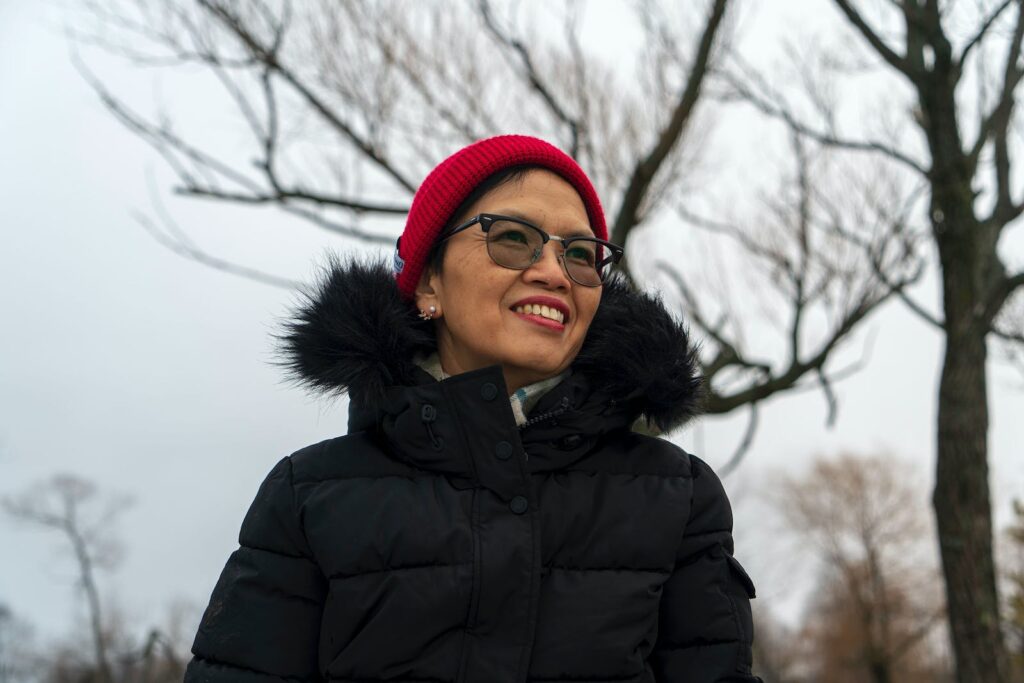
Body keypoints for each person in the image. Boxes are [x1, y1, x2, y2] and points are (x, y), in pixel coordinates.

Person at [184, 135, 762, 682]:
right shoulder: (308, 495)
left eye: (582, 254)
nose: (555, 272)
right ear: (428, 283)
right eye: (513, 237)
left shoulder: (679, 497)